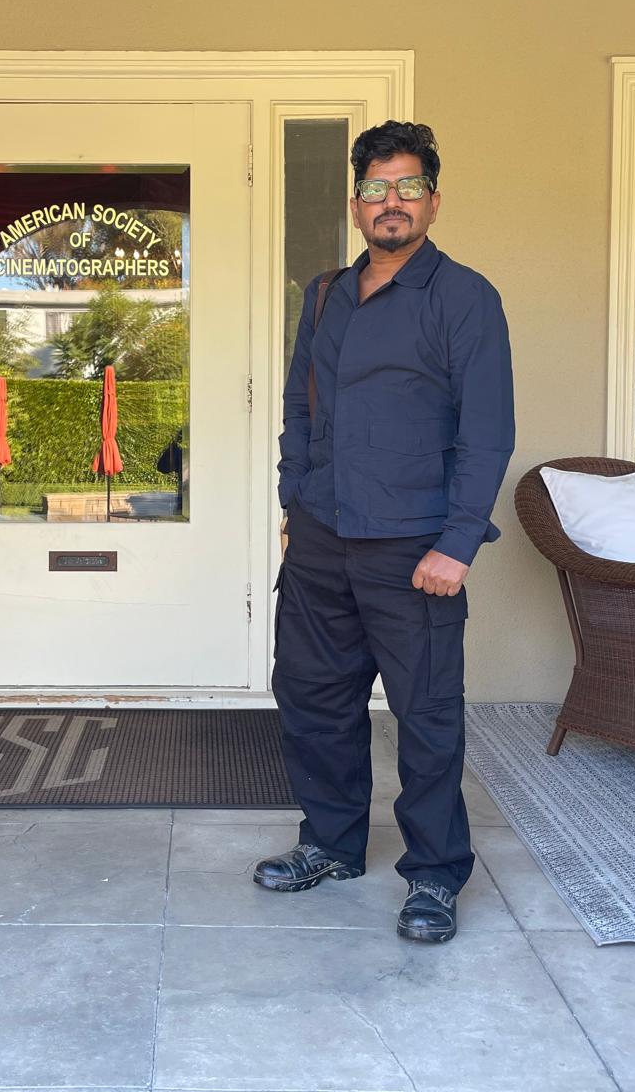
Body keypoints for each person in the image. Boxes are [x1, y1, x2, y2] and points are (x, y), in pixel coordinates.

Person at [259, 120, 515, 944]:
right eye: (376, 188)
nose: (391, 202)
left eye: (407, 186)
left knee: (426, 717)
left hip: (415, 549)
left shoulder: (464, 297)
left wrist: (458, 543)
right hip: (322, 536)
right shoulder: (325, 294)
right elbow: (300, 406)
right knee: (313, 699)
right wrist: (294, 499)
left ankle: (434, 873)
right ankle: (331, 843)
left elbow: (487, 433)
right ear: (356, 204)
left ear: (433, 201)